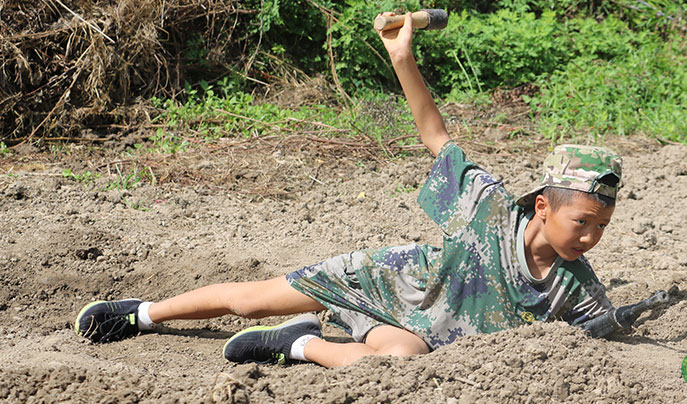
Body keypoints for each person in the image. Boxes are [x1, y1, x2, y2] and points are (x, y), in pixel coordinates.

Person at [74, 12, 623, 368]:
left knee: (399, 366)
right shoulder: (488, 208)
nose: (591, 238)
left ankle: (297, 343)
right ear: (543, 205)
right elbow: (436, 136)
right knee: (247, 300)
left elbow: (594, 343)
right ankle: (142, 314)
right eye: (583, 222)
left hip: (423, 339)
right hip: (387, 282)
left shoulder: (576, 290)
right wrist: (402, 57)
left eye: (602, 226)